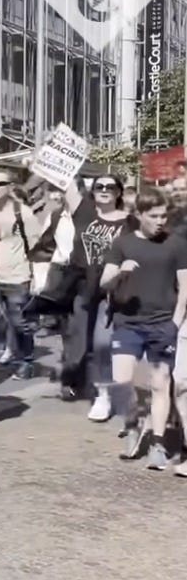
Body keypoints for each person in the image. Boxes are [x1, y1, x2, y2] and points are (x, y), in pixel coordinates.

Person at [100, 189, 187, 468]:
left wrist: (175, 321)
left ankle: (159, 444)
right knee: (123, 382)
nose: (161, 221)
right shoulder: (122, 244)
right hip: (128, 323)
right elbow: (104, 284)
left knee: (160, 384)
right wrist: (121, 272)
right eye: (154, 216)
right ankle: (134, 425)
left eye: (164, 215)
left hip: (163, 324)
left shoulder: (176, 244)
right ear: (139, 215)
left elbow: (185, 286)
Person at [59, 174, 136, 419]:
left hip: (113, 291)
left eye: (110, 187)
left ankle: (104, 396)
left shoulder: (130, 221)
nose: (104, 190)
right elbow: (65, 179)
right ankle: (96, 387)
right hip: (83, 288)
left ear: (119, 192)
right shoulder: (84, 212)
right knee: (81, 345)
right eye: (99, 186)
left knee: (103, 344)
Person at [0, 168, 44, 380]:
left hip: (17, 276)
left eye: (0, 184)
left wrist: (35, 274)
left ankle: (26, 361)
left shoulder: (22, 212)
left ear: (11, 187)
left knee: (19, 322)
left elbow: (36, 246)